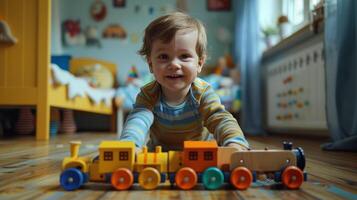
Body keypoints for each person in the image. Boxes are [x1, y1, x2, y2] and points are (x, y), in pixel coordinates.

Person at [120, 12, 249, 152]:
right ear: (151, 64)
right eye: (164, 56)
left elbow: (219, 118)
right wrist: (129, 145)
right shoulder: (148, 94)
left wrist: (234, 142)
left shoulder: (203, 93)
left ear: (199, 63)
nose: (174, 64)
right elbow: (138, 120)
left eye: (184, 56)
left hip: (199, 154)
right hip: (160, 155)